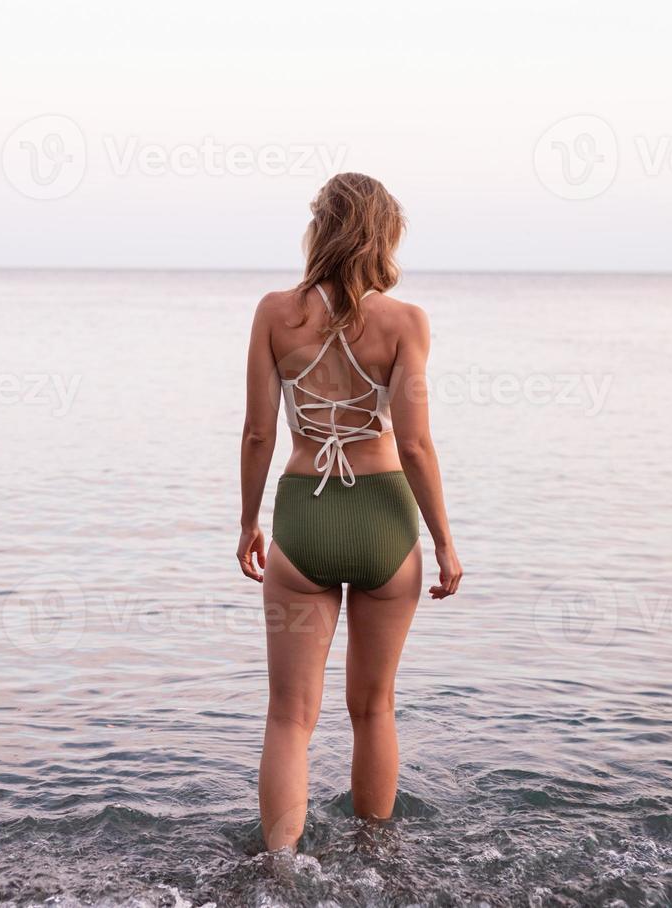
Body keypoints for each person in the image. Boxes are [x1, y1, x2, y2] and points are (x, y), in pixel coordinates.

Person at [236, 172, 463, 852]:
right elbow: (416, 444)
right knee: (372, 709)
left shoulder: (275, 313)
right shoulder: (404, 322)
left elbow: (256, 432)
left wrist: (247, 521)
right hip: (384, 520)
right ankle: (375, 862)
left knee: (288, 718)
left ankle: (278, 871)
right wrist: (446, 545)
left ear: (318, 229)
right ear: (384, 234)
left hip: (303, 515)